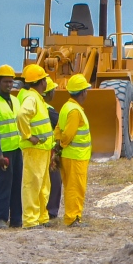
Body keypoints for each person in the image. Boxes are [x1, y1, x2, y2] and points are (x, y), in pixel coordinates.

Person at [16, 64, 56, 228]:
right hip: (34, 149)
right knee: (33, 184)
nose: (47, 82)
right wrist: (28, 136)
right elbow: (21, 115)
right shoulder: (31, 98)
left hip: (42, 149)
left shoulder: (37, 98)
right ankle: (31, 220)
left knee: (43, 185)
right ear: (41, 82)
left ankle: (41, 216)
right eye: (45, 79)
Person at [0, 65, 24, 228]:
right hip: (2, 152)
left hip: (16, 149)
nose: (9, 85)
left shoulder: (15, 101)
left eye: (11, 82)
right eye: (5, 82)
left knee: (16, 185)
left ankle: (16, 219)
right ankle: (0, 219)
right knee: (1, 185)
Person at [53, 74, 94, 226]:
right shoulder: (75, 111)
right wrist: (62, 145)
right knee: (75, 188)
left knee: (73, 186)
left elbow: (58, 128)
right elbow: (68, 134)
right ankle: (72, 218)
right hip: (75, 156)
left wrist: (58, 147)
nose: (87, 93)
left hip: (71, 156)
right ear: (82, 92)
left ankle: (74, 216)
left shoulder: (66, 107)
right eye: (86, 90)